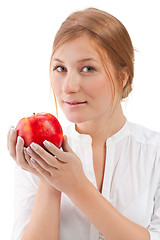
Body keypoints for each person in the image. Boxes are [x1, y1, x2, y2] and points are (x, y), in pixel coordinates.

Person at [7, 7, 160, 240]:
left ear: (123, 76)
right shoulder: (36, 156)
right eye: (60, 68)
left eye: (87, 68)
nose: (68, 86)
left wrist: (77, 186)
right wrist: (49, 182)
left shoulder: (155, 154)